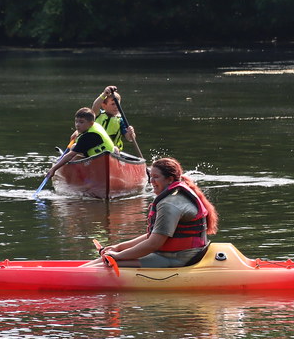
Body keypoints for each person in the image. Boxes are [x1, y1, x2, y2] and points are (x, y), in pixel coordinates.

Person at [85, 157, 219, 268]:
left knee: (102, 265)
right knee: (101, 261)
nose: (151, 181)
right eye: (150, 176)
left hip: (179, 259)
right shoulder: (175, 196)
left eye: (156, 177)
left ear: (170, 179)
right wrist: (118, 248)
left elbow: (154, 243)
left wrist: (118, 256)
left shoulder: (169, 204)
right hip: (178, 255)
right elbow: (153, 236)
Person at [45, 108, 115, 181]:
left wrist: (54, 169)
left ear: (91, 123)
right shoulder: (95, 125)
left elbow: (70, 155)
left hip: (99, 162)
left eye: (81, 122)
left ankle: (70, 178)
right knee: (74, 146)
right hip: (108, 158)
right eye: (76, 122)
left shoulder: (88, 136)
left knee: (73, 154)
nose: (77, 125)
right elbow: (83, 127)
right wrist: (77, 132)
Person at [70, 85, 136, 151]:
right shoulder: (97, 114)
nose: (116, 107)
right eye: (113, 104)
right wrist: (104, 94)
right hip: (93, 148)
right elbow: (95, 106)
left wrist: (131, 133)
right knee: (74, 146)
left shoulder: (121, 121)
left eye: (118, 104)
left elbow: (130, 138)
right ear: (104, 106)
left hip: (112, 150)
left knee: (115, 150)